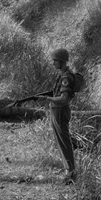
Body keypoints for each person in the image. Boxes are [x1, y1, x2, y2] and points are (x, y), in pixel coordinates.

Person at [37, 48, 76, 183]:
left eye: (55, 61)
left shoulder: (66, 77)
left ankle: (70, 171)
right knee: (61, 141)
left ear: (61, 61)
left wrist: (48, 100)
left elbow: (64, 99)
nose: (53, 63)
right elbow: (57, 93)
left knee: (64, 142)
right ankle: (68, 170)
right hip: (56, 111)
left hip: (60, 111)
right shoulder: (62, 75)